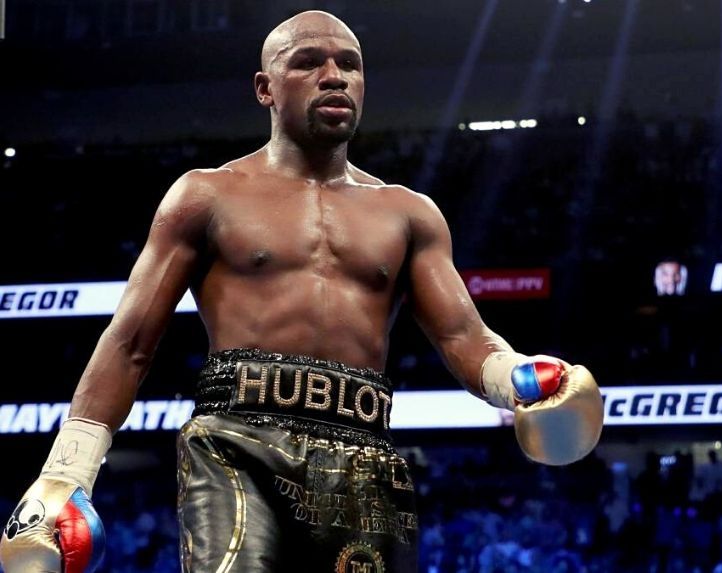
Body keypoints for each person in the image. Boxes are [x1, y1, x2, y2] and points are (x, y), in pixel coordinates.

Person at [0, 10, 603, 573]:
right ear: (265, 88)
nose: (334, 75)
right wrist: (65, 473)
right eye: (309, 62)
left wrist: (516, 377)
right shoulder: (206, 195)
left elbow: (461, 335)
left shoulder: (408, 213)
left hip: (364, 456)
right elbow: (130, 341)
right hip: (236, 444)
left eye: (350, 64)